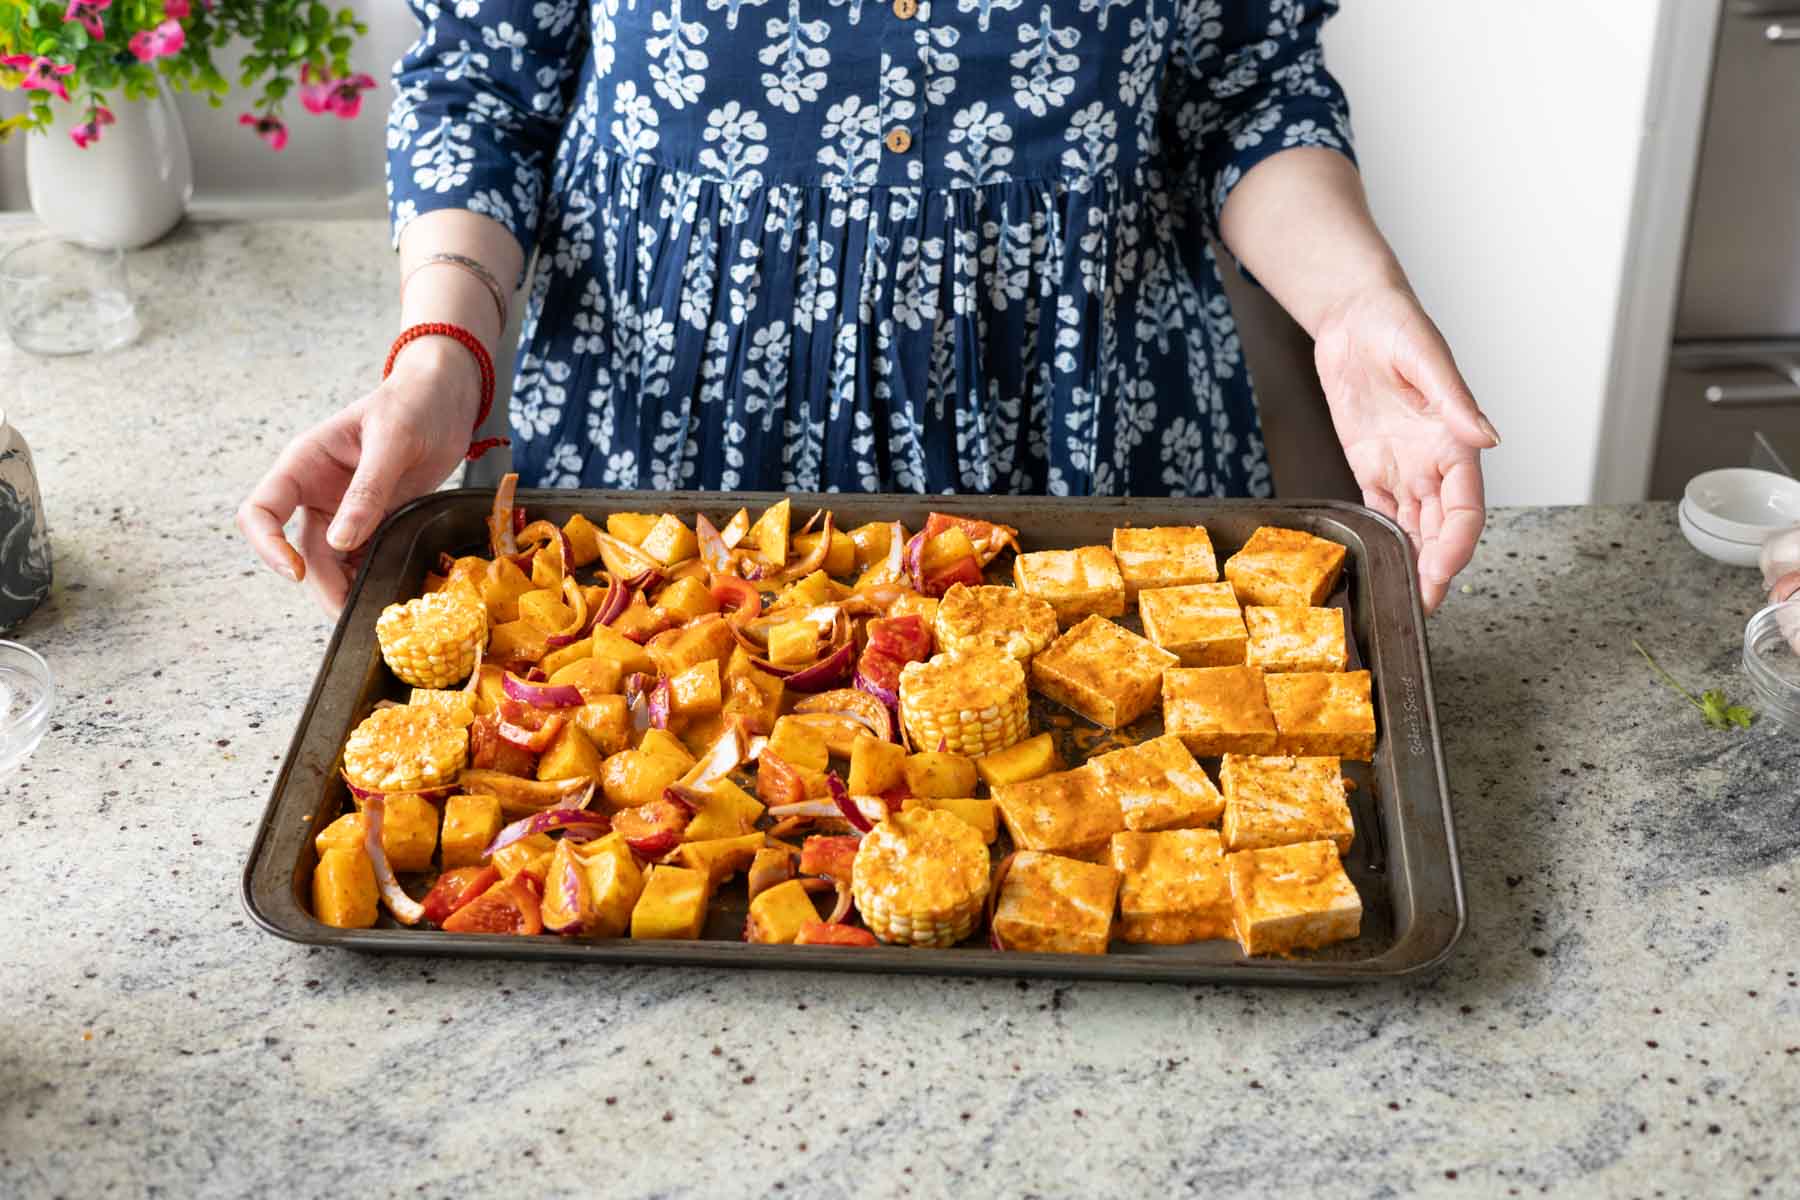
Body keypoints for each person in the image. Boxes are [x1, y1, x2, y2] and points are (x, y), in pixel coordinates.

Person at [239, 0, 1499, 615]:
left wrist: (1353, 303)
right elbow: (481, 86)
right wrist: (442, 353)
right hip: (665, 453)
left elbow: (1250, 89)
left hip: (1076, 445)